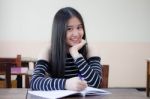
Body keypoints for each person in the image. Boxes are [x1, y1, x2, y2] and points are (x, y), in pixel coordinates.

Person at [30, 7, 102, 91]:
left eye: (79, 27)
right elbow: (34, 82)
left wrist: (76, 54)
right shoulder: (48, 49)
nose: (76, 34)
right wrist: (66, 84)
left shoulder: (90, 49)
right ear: (59, 31)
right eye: (69, 29)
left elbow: (96, 83)